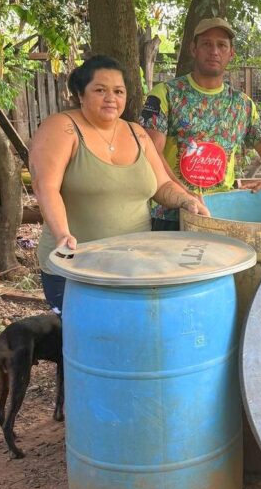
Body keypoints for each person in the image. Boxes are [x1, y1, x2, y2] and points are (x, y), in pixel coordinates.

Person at [31, 55, 207, 313]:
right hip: (77, 267)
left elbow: (161, 186)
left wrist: (185, 200)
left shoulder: (137, 133)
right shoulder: (61, 128)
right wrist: (62, 235)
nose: (110, 98)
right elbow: (46, 187)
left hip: (134, 268)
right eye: (100, 90)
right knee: (85, 344)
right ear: (81, 94)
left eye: (118, 91)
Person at [141, 17, 261, 230]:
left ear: (231, 53)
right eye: (206, 44)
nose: (214, 51)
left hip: (220, 217)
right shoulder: (166, 94)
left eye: (222, 45)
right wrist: (183, 195)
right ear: (193, 49)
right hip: (171, 217)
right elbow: (152, 153)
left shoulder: (242, 105)